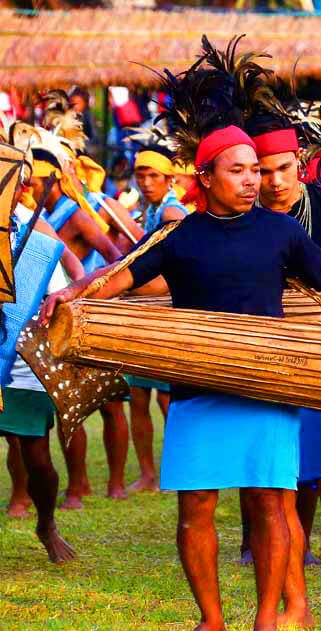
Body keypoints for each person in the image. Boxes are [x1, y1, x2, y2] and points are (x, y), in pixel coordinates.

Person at [42, 60, 321, 631]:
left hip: (268, 388)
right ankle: (211, 620)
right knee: (196, 510)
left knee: (271, 504)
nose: (252, 180)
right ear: (206, 176)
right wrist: (71, 289)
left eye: (254, 170)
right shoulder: (181, 233)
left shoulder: (280, 230)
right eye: (237, 171)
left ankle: (267, 620)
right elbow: (119, 275)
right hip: (196, 393)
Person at [28, 144, 130, 506]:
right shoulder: (39, 214)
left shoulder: (76, 216)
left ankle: (116, 482)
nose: (28, 187)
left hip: (87, 313)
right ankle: (79, 484)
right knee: (67, 405)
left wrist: (93, 293)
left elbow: (115, 256)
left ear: (53, 180)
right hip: (55, 317)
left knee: (109, 403)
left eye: (35, 181)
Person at [0, 207, 77, 562]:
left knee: (37, 456)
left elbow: (58, 295)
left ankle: (46, 523)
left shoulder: (35, 232)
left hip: (22, 361)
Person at [123, 140, 186, 491]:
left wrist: (126, 288)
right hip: (144, 316)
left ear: (169, 178)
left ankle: (174, 470)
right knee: (137, 397)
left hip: (164, 316)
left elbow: (169, 277)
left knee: (165, 397)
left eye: (153, 175)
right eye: (140, 175)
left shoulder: (172, 213)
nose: (146, 182)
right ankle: (148, 474)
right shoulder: (149, 212)